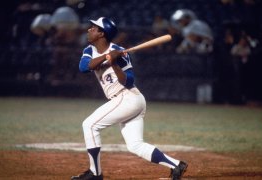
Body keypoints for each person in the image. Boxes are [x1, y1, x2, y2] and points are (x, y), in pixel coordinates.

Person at [71, 17, 188, 180]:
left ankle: (95, 173)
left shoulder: (119, 52)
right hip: (125, 101)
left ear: (102, 33)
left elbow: (129, 81)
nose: (89, 29)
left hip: (129, 98)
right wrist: (107, 57)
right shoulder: (89, 50)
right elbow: (84, 67)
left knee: (89, 125)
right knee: (135, 145)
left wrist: (114, 63)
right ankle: (177, 165)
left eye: (94, 27)